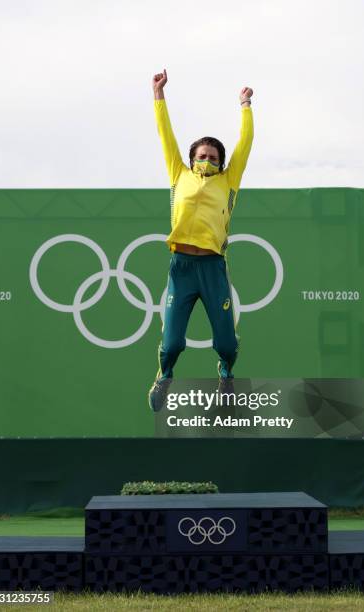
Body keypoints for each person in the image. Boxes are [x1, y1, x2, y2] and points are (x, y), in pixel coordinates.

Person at [148, 68, 254, 411]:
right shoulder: (179, 174)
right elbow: (165, 135)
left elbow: (245, 144)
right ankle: (164, 377)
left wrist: (245, 106)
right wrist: (158, 95)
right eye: (201, 155)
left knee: (226, 341)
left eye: (213, 157)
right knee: (171, 343)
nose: (206, 159)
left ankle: (226, 373)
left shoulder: (228, 181)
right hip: (182, 266)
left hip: (212, 266)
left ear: (221, 163)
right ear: (192, 159)